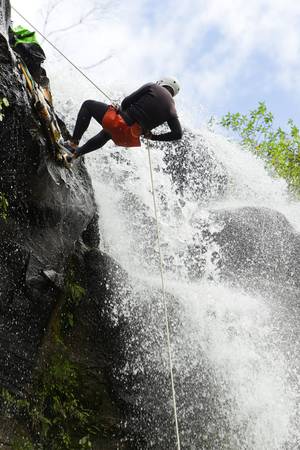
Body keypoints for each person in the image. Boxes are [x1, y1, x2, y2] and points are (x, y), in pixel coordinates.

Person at [63, 76, 183, 163]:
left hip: (118, 122)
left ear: (162, 82)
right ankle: (76, 154)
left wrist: (120, 109)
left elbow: (126, 101)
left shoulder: (153, 86)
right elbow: (178, 134)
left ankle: (73, 143)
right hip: (128, 138)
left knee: (88, 105)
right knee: (107, 134)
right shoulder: (172, 109)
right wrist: (153, 137)